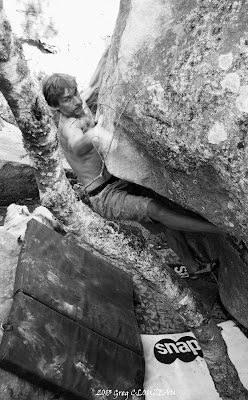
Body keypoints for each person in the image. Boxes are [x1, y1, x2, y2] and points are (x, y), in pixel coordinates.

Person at [42, 50, 224, 277]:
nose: (77, 101)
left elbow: (96, 82)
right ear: (56, 106)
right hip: (104, 195)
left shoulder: (81, 104)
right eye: (67, 100)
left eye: (75, 93)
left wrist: (111, 47)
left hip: (118, 177)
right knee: (156, 209)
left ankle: (193, 267)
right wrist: (100, 132)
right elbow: (94, 142)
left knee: (164, 218)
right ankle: (222, 231)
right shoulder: (70, 133)